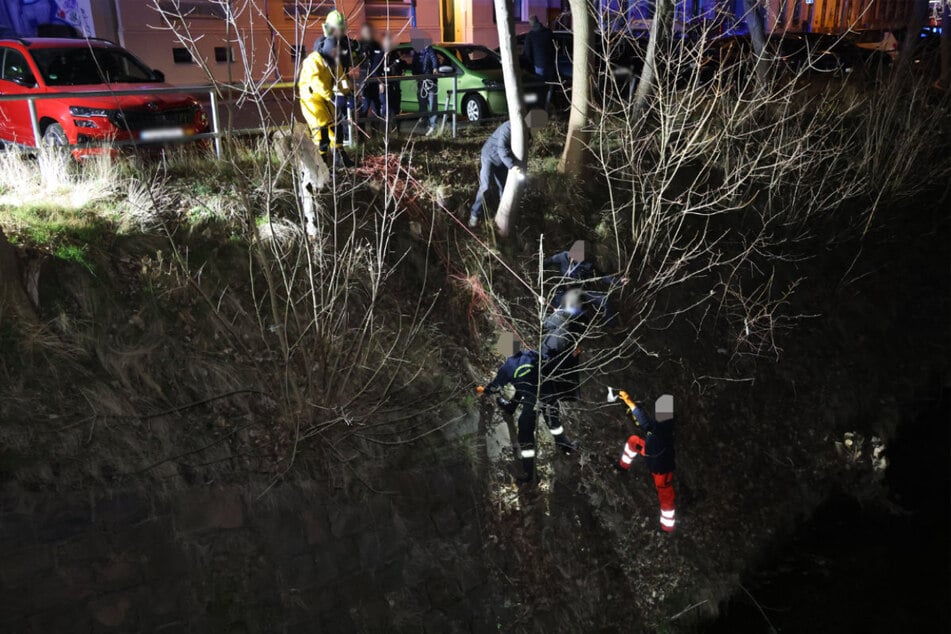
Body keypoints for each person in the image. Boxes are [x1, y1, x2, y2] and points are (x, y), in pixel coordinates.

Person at [480, 337, 577, 483]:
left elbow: (495, 387)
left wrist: (485, 390)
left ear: (505, 351)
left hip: (533, 401)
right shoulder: (532, 354)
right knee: (553, 422)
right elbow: (549, 361)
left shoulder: (507, 367)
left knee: (525, 434)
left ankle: (531, 474)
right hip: (549, 394)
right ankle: (566, 446)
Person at [615, 393, 677, 533]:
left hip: (661, 470)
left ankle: (667, 526)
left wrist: (631, 403)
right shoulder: (658, 425)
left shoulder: (664, 429)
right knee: (633, 441)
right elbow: (645, 422)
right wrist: (630, 402)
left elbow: (646, 423)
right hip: (649, 454)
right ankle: (623, 466)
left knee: (665, 495)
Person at [298, 36, 353, 167]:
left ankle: (339, 155)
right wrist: (331, 96)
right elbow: (315, 82)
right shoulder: (313, 61)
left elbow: (342, 78)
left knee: (336, 123)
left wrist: (347, 92)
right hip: (311, 99)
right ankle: (321, 160)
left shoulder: (334, 61)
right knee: (320, 126)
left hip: (326, 97)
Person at [544, 240, 628, 323]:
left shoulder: (587, 265)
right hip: (563, 289)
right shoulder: (564, 256)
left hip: (580, 291)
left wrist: (618, 282)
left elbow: (602, 276)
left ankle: (611, 325)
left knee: (604, 300)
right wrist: (539, 266)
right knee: (561, 308)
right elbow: (550, 260)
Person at [468, 120, 525, 228]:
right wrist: (512, 166)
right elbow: (502, 148)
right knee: (485, 186)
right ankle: (474, 216)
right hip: (489, 156)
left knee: (504, 188)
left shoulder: (526, 130)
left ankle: (503, 214)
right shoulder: (508, 127)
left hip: (503, 162)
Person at [315, 10, 357, 144]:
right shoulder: (332, 45)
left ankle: (336, 143)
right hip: (333, 86)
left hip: (331, 86)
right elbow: (339, 73)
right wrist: (347, 91)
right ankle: (340, 142)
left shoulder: (324, 43)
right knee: (338, 115)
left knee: (333, 117)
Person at [540, 289, 585, 402]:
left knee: (539, 371)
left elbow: (545, 323)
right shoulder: (580, 320)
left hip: (550, 349)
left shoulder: (562, 314)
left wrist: (543, 306)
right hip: (562, 355)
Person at [357, 23, 384, 127]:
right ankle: (361, 134)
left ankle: (375, 131)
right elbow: (356, 61)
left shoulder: (376, 44)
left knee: (375, 107)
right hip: (364, 78)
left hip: (373, 79)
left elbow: (377, 64)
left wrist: (379, 80)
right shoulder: (360, 45)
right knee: (365, 106)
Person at [414, 44, 440, 135]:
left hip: (430, 81)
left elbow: (434, 59)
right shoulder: (417, 52)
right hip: (421, 82)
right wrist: (416, 76)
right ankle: (424, 124)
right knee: (422, 103)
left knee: (432, 103)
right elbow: (415, 65)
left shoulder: (430, 50)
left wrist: (435, 67)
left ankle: (433, 125)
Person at [524, 16, 556, 82]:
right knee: (551, 83)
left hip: (539, 65)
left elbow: (528, 53)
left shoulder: (530, 36)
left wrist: (533, 62)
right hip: (550, 64)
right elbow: (555, 47)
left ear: (531, 24)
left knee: (541, 84)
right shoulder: (548, 32)